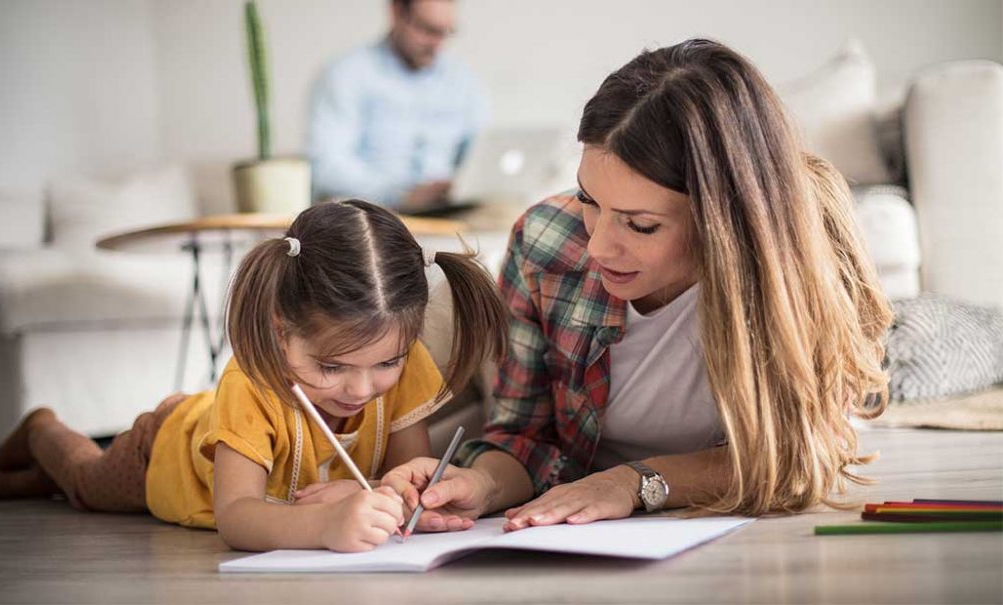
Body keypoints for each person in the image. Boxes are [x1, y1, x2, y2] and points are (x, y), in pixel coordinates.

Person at [382, 39, 893, 530]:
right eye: (588, 200)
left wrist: (635, 483)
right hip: (587, 523)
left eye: (640, 224)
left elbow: (799, 459)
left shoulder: (801, 257)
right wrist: (479, 484)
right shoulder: (545, 242)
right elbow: (526, 438)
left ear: (722, 218)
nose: (599, 246)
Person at [0, 200, 509, 552]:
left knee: (43, 491)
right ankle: (42, 428)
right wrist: (326, 524)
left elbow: (397, 474)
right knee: (82, 485)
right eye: (331, 366)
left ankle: (28, 482)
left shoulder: (404, 366)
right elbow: (236, 516)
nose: (361, 388)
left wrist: (399, 493)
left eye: (386, 364)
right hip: (161, 456)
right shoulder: (251, 382)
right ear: (281, 332)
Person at [306, 0, 488, 212]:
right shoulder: (347, 74)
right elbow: (325, 168)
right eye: (428, 30)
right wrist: (401, 194)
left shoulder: (462, 79)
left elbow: (478, 153)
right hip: (373, 220)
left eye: (446, 32)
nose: (437, 43)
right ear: (396, 12)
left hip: (447, 218)